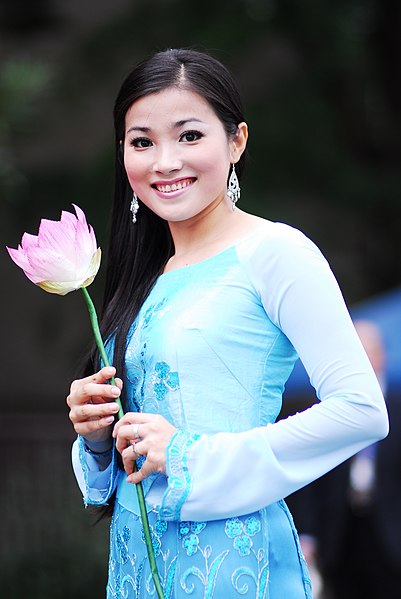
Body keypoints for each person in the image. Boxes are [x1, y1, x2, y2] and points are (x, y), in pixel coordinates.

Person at [66, 48, 388, 599]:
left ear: (236, 140)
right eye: (142, 141)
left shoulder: (276, 253)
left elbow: (361, 411)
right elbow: (137, 452)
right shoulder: (141, 275)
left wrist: (193, 456)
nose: (165, 161)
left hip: (235, 563)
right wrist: (96, 435)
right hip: (138, 562)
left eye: (189, 135)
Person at [288, 320, 401, 599]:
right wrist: (308, 533)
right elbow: (313, 477)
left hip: (391, 537)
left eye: (364, 351)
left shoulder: (398, 409)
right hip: (340, 536)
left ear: (380, 356)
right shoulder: (329, 408)